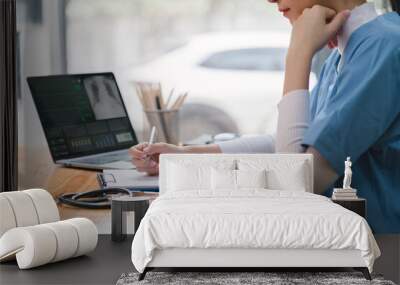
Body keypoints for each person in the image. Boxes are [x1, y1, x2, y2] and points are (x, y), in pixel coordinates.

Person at [129, 0, 400, 234]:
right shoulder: (346, 52)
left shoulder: (383, 47)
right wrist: (186, 156)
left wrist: (298, 53)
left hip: (380, 253)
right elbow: (300, 143)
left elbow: (297, 180)